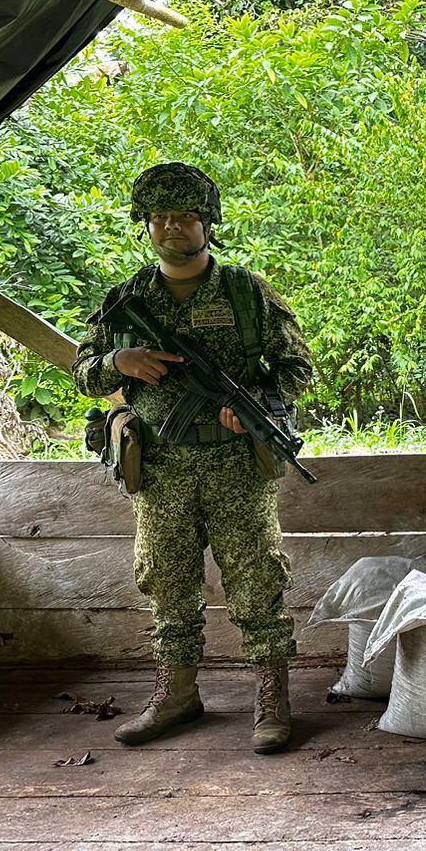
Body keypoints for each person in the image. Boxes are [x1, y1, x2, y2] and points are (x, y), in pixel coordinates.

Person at [74, 163, 313, 754]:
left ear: (208, 223)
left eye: (184, 216)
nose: (171, 227)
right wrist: (119, 363)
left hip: (236, 465)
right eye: (159, 217)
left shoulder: (246, 293)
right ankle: (176, 695)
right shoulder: (126, 299)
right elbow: (83, 372)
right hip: (159, 469)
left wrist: (256, 408)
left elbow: (297, 369)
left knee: (257, 579)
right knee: (167, 582)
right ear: (145, 224)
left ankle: (271, 698)